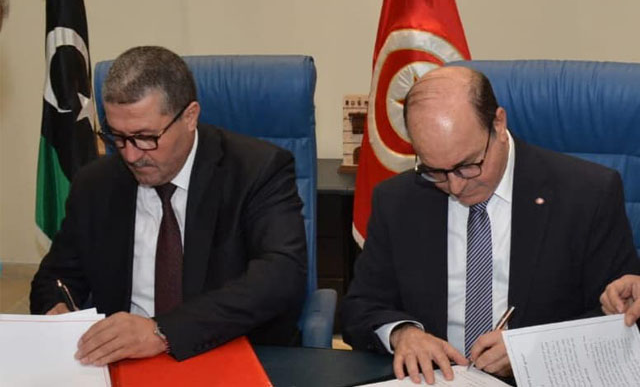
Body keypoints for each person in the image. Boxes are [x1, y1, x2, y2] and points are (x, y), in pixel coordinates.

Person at [342, 65, 639, 385]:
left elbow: (622, 317)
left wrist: (529, 350)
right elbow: (360, 307)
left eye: (468, 165)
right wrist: (403, 334)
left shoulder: (588, 194)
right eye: (435, 170)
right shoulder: (398, 200)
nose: (456, 186)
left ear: (498, 123)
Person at [30, 46, 307, 364]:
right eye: (117, 136)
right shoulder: (95, 183)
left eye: (145, 137)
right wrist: (57, 310)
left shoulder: (257, 170)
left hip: (227, 352)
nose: (131, 155)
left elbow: (280, 276)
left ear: (190, 117)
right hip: (126, 362)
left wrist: (162, 331)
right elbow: (55, 276)